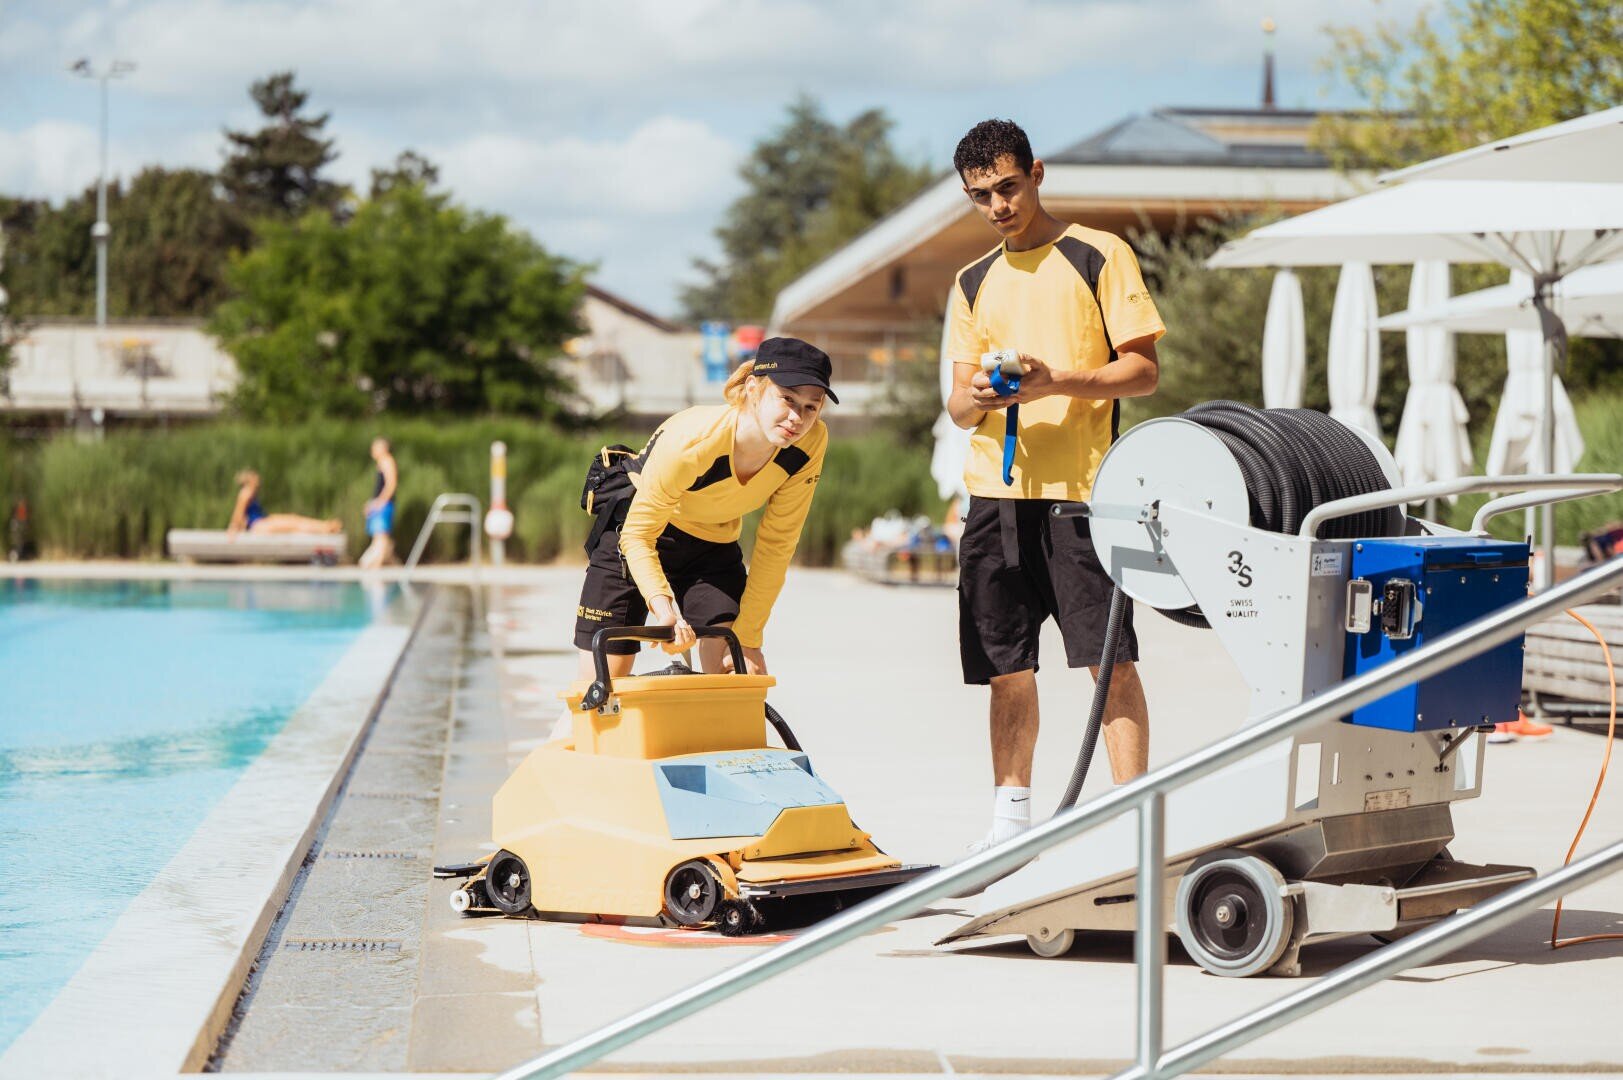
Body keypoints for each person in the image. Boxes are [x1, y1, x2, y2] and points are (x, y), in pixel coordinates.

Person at [944, 119, 1165, 855]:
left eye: (1007, 187)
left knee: (1109, 660)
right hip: (993, 497)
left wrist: (1053, 380)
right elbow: (954, 405)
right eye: (980, 196)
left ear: (1036, 172)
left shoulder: (1099, 254)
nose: (998, 206)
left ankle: (1132, 818)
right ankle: (1009, 826)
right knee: (1006, 667)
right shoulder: (971, 280)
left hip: (1080, 495)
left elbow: (1143, 370)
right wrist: (985, 388)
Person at [575, 336, 835, 679]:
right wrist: (664, 608)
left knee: (740, 670)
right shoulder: (694, 440)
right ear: (754, 389)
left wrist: (749, 637)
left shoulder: (810, 443)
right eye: (786, 399)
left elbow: (778, 544)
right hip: (636, 533)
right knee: (603, 687)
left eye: (810, 407)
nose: (796, 418)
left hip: (712, 544)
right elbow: (638, 535)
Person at [227, 470, 341, 535]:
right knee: (293, 524)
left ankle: (324, 525)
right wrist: (234, 528)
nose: (258, 482)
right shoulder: (245, 493)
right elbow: (238, 514)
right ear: (250, 480)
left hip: (262, 521)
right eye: (256, 480)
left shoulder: (249, 493)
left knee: (293, 518)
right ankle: (324, 527)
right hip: (258, 526)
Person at [359, 437, 398, 569]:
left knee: (381, 537)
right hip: (380, 503)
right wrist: (372, 503)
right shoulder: (382, 462)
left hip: (383, 505)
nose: (372, 450)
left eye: (374, 447)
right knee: (379, 537)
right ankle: (384, 562)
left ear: (382, 448)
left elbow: (391, 485)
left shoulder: (387, 461)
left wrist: (379, 503)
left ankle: (377, 566)